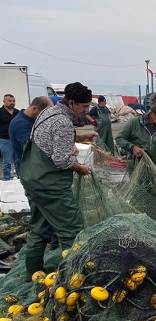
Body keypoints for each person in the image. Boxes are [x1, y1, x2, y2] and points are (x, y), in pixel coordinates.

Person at [20, 83, 94, 281]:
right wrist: (80, 168)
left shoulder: (48, 112)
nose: (86, 111)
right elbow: (61, 160)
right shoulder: (62, 122)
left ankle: (32, 273)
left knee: (40, 228)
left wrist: (75, 140)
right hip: (49, 184)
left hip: (32, 177)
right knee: (72, 230)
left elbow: (49, 142)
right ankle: (75, 277)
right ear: (71, 103)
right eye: (84, 106)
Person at [115, 105, 156, 219]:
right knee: (139, 195)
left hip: (154, 168)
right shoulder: (134, 123)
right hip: (136, 166)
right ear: (152, 114)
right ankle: (138, 221)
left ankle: (151, 221)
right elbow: (119, 138)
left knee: (153, 196)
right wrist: (132, 147)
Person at [9, 96, 52, 177]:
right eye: (43, 114)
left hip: (35, 166)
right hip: (28, 169)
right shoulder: (20, 124)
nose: (45, 117)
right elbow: (32, 149)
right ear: (34, 109)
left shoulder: (31, 119)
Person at [0, 94, 20, 180]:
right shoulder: (0, 112)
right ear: (4, 101)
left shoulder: (17, 112)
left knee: (18, 160)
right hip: (5, 140)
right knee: (7, 161)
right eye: (9, 101)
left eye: (13, 101)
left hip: (16, 140)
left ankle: (20, 177)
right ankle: (7, 177)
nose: (12, 103)